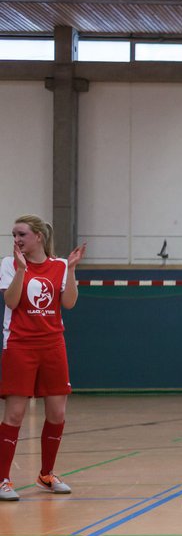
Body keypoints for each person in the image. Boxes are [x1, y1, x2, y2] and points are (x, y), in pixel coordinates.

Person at [0, 215, 86, 502]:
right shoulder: (8, 264)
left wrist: (71, 269)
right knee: (14, 414)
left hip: (52, 345)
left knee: (57, 413)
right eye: (13, 235)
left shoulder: (59, 266)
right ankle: (3, 479)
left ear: (38, 236)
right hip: (19, 345)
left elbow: (70, 303)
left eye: (21, 234)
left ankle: (46, 475)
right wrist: (22, 271)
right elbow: (11, 302)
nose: (16, 240)